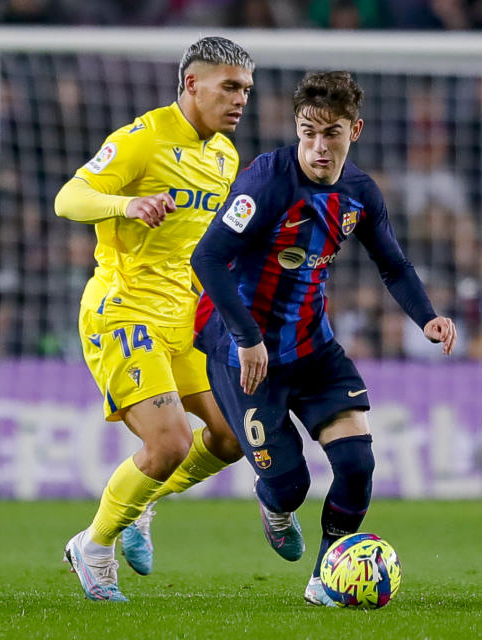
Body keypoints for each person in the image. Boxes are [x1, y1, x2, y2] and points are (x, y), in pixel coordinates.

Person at [190, 71, 456, 606]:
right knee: (290, 486)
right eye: (308, 131)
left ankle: (324, 579)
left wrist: (427, 317)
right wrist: (247, 338)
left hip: (312, 348)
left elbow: (393, 265)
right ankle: (274, 504)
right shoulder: (267, 179)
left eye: (330, 133)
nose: (317, 146)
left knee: (358, 466)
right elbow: (207, 258)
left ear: (353, 130)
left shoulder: (359, 193)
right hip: (243, 352)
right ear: (297, 127)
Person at [54, 36, 254, 602]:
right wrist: (126, 204)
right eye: (230, 88)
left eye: (246, 90)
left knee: (232, 435)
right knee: (168, 444)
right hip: (123, 310)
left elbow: (202, 247)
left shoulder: (224, 156)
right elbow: (69, 198)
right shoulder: (141, 139)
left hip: (184, 318)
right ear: (193, 84)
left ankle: (142, 505)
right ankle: (92, 547)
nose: (240, 100)